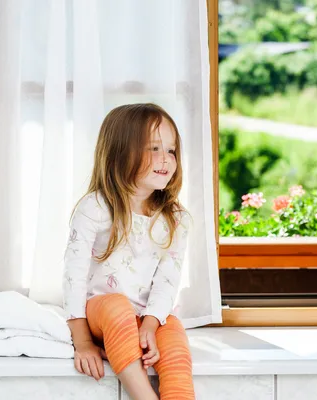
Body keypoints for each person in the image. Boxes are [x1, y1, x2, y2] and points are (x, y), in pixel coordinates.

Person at [63, 103, 194, 400]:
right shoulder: (95, 208)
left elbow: (167, 281)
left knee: (173, 333)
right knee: (118, 306)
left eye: (171, 150)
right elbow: (73, 276)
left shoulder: (176, 218)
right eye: (154, 148)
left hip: (144, 315)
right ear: (121, 152)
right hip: (101, 311)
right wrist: (82, 341)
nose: (166, 159)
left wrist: (150, 324)